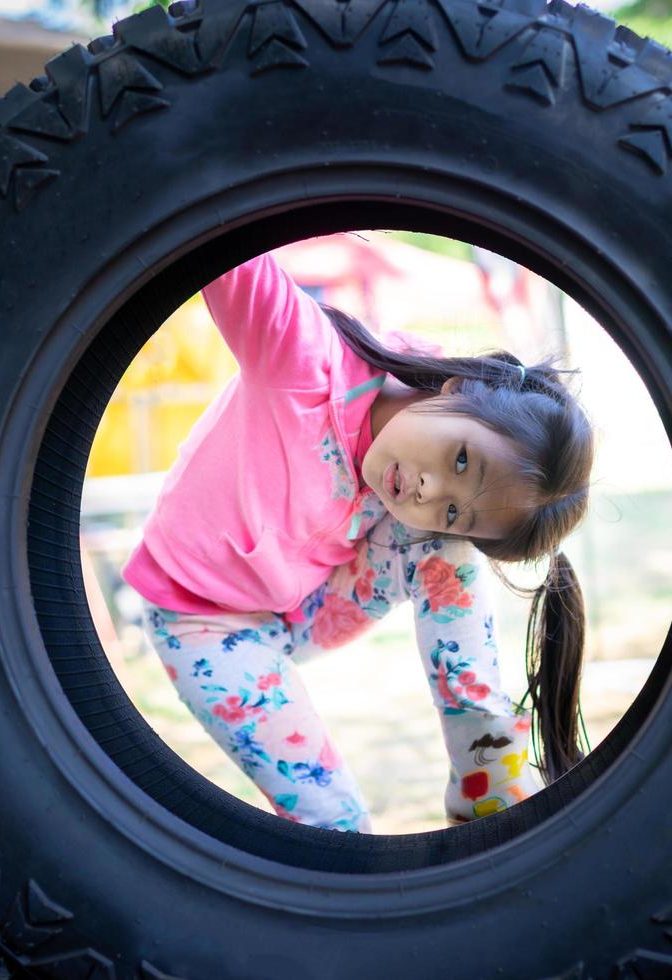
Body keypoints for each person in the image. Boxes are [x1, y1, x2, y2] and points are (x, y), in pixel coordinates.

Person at [122, 247, 594, 832]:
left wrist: (461, 513)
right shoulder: (303, 362)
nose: (426, 490)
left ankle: (488, 774)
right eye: (461, 458)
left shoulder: (422, 499)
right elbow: (219, 243)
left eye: (452, 507)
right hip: (204, 621)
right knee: (334, 823)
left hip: (312, 605)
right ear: (456, 386)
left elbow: (450, 521)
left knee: (447, 548)